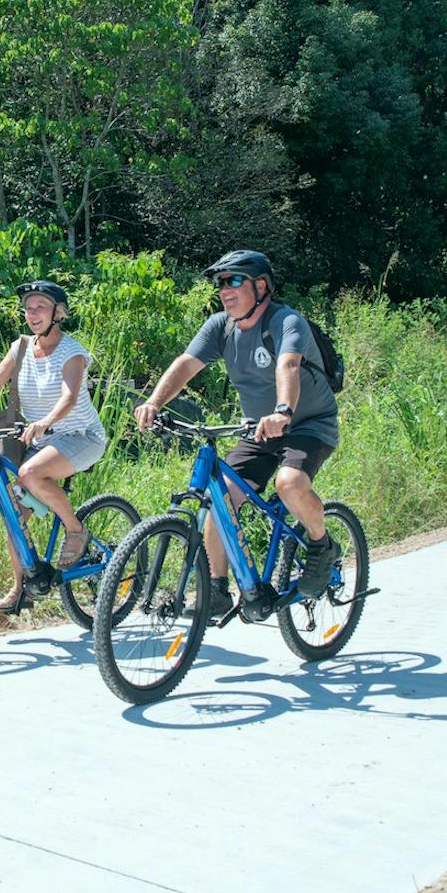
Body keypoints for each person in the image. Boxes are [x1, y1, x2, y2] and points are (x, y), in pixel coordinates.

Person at [132, 250, 342, 620]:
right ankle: (216, 589)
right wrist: (154, 402)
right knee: (219, 496)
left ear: (261, 286)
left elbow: (288, 365)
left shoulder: (286, 321)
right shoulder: (220, 327)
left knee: (289, 484)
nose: (224, 291)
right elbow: (186, 364)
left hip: (308, 423)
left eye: (233, 281)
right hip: (259, 429)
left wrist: (282, 411)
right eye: (220, 283)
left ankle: (321, 545)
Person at [0, 280, 110, 614]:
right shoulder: (21, 347)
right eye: (29, 308)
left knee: (29, 473)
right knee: (13, 513)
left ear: (58, 313)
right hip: (41, 439)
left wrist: (46, 421)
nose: (33, 314)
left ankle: (76, 531)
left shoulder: (71, 352)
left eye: (41, 306)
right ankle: (21, 590)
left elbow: (69, 397)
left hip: (80, 436)